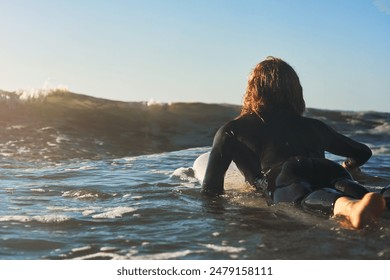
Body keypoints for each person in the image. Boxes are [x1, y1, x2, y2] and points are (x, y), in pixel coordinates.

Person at [201, 56, 387, 229]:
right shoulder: (314, 126)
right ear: (296, 92)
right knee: (355, 190)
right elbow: (363, 152)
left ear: (253, 90)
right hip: (329, 168)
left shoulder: (232, 130)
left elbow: (211, 190)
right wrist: (349, 165)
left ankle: (350, 208)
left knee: (307, 197)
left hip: (285, 174)